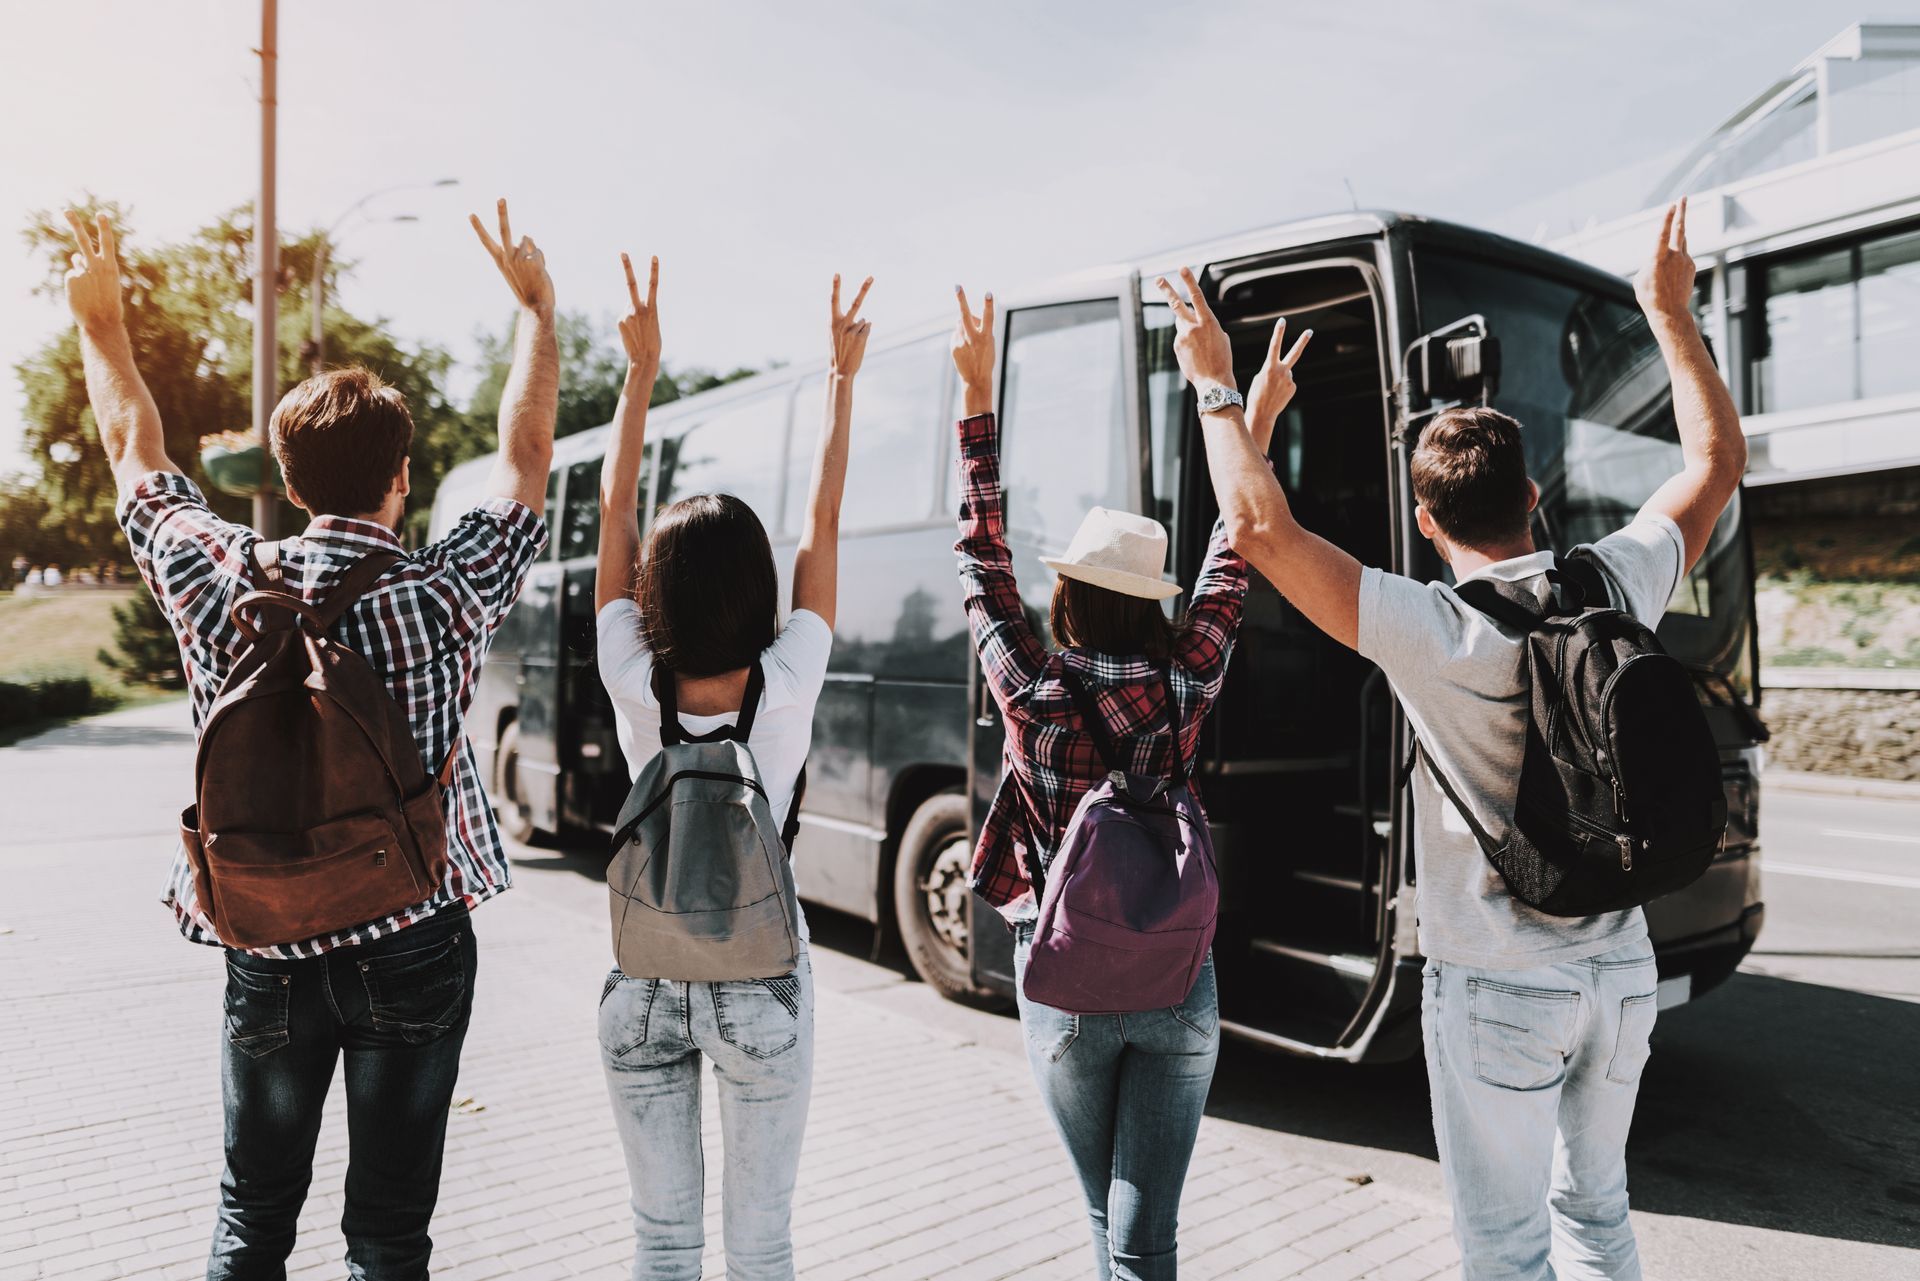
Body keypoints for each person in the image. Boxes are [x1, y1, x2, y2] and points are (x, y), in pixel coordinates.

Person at [1171, 199, 1744, 1280]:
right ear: (1535, 495)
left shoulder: (1432, 628)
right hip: (1621, 970)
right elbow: (1716, 464)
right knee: (1600, 1219)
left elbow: (1258, 529)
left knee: (1505, 1246)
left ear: (1428, 524)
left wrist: (1224, 392)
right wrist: (1670, 314)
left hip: (1495, 989)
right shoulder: (1617, 580)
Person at [62, 200, 559, 1280]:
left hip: (266, 936)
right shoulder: (441, 590)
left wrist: (103, 329)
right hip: (415, 932)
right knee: (387, 1232)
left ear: (286, 485)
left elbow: (130, 447)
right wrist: (536, 313)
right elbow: (525, 458)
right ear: (406, 475)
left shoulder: (214, 575)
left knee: (251, 1220)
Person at [949, 285, 1304, 1281]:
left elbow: (980, 558)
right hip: (1180, 983)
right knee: (1149, 1238)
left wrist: (977, 404)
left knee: (1101, 1217)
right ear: (1156, 604)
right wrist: (1253, 418)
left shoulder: (1030, 690)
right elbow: (1238, 553)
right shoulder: (1185, 682)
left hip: (1064, 981)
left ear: (1066, 595)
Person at [593, 257, 870, 1280]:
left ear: (650, 587)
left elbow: (616, 515)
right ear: (758, 588)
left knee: (662, 1242)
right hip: (762, 972)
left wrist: (641, 375)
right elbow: (823, 526)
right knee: (763, 1245)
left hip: (643, 975)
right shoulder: (788, 676)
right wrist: (840, 386)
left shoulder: (631, 673)